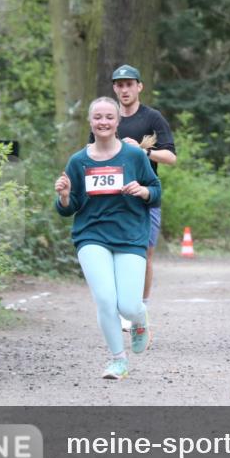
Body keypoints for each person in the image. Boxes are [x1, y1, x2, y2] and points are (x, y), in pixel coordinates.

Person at [57, 97, 162, 379]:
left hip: (129, 234)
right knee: (105, 299)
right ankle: (118, 359)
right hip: (91, 235)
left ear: (117, 122)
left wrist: (142, 191)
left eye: (109, 117)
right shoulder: (78, 161)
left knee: (128, 305)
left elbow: (156, 191)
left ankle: (139, 320)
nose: (103, 122)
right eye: (98, 117)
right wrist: (65, 196)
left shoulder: (134, 156)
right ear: (91, 122)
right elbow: (70, 207)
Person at [100, 65, 176, 323]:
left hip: (145, 196)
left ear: (139, 86)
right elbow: (92, 150)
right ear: (114, 88)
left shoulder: (152, 118)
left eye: (129, 84)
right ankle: (120, 306)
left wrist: (143, 152)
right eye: (119, 85)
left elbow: (171, 157)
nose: (124, 89)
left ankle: (138, 309)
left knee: (144, 253)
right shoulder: (107, 117)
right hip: (111, 196)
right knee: (112, 251)